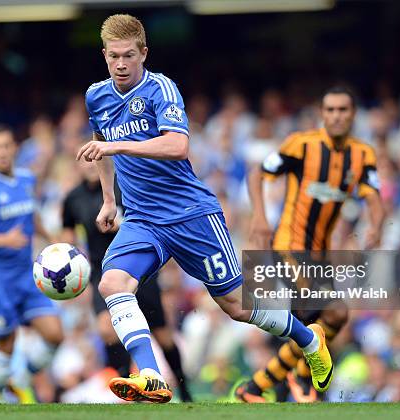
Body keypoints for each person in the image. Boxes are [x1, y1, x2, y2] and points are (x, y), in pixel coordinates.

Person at [76, 13, 332, 404]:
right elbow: (101, 147)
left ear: (144, 53)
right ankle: (151, 376)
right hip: (143, 219)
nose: (122, 64)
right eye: (114, 56)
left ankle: (308, 338)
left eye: (129, 55)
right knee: (112, 284)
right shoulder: (97, 96)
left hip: (191, 214)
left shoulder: (162, 89)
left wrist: (115, 145)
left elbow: (177, 145)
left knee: (236, 306)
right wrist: (110, 199)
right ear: (104, 55)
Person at [237, 86, 384, 402]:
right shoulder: (302, 145)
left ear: (353, 114)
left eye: (343, 109)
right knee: (324, 310)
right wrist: (260, 218)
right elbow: (256, 174)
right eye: (330, 109)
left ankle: (257, 387)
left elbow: (373, 196)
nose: (336, 116)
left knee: (332, 318)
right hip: (289, 245)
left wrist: (377, 225)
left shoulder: (363, 155)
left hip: (319, 255)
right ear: (322, 113)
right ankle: (301, 383)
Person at [61, 159, 193, 401]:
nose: (91, 165)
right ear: (77, 165)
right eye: (85, 160)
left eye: (95, 159)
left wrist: (122, 225)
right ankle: (127, 387)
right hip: (102, 273)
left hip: (137, 267)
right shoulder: (72, 199)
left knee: (162, 335)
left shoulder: (123, 187)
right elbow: (68, 238)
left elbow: (149, 221)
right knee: (107, 330)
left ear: (104, 161)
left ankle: (185, 390)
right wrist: (66, 264)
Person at [0, 125, 64, 403]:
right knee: (6, 344)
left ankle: (23, 379)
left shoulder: (26, 180)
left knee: (55, 334)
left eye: (7, 146)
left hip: (26, 275)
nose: (3, 152)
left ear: (15, 148)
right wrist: (3, 240)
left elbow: (32, 215)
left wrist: (51, 238)